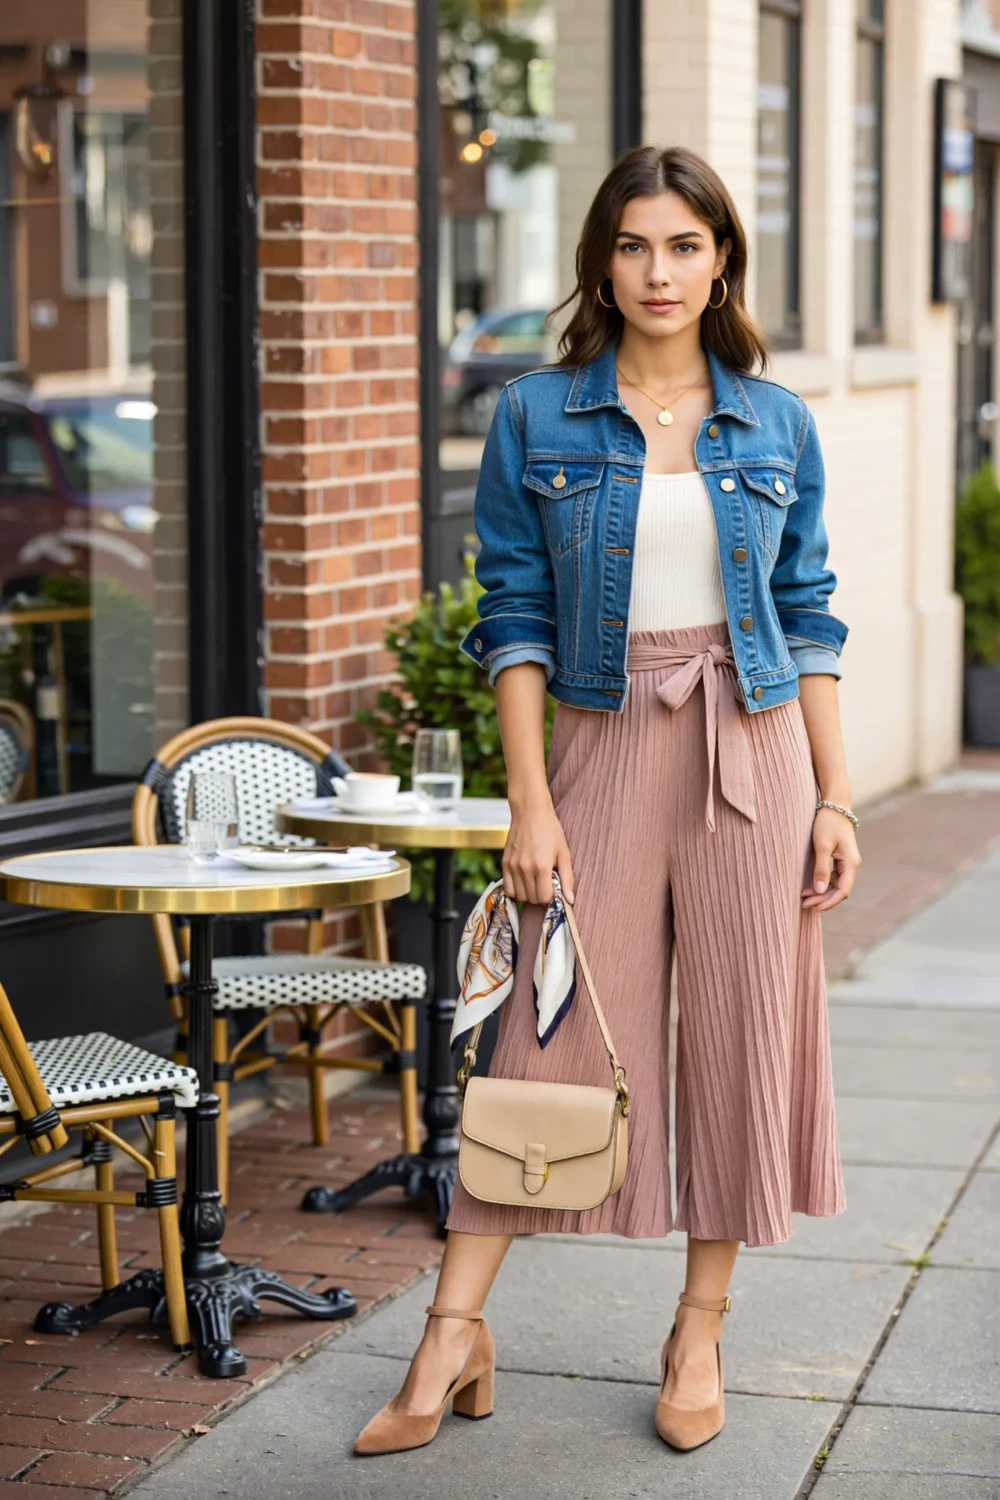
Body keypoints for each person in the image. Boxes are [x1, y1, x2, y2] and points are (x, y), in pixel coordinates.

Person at [354, 144, 861, 1459]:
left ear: (722, 260)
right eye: (635, 246)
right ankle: (453, 1331)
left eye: (684, 246)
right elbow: (512, 621)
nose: (660, 271)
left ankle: (700, 1326)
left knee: (746, 1035)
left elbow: (808, 619)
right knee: (543, 1033)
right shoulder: (538, 415)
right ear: (601, 262)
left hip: (755, 749)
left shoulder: (776, 421)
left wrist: (839, 798)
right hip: (603, 736)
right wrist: (529, 803)